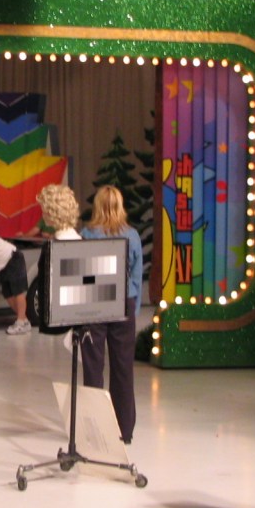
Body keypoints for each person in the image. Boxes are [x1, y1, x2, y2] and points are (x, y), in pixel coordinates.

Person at [80, 186, 142, 445]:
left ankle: (95, 428)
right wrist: (133, 308)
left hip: (95, 300)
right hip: (123, 302)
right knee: (123, 367)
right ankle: (124, 430)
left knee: (93, 367)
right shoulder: (132, 235)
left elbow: (80, 273)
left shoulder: (87, 233)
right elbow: (137, 275)